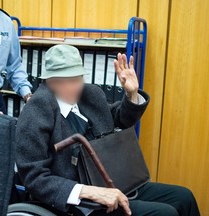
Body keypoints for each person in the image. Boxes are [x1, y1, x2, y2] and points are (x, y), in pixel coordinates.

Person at [15, 44, 200, 215]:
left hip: (114, 179)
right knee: (164, 213)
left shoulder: (90, 94)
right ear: (51, 81)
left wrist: (131, 94)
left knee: (184, 197)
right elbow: (34, 179)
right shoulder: (36, 112)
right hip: (81, 199)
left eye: (78, 78)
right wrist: (89, 192)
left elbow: (119, 120)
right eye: (67, 80)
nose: (76, 86)